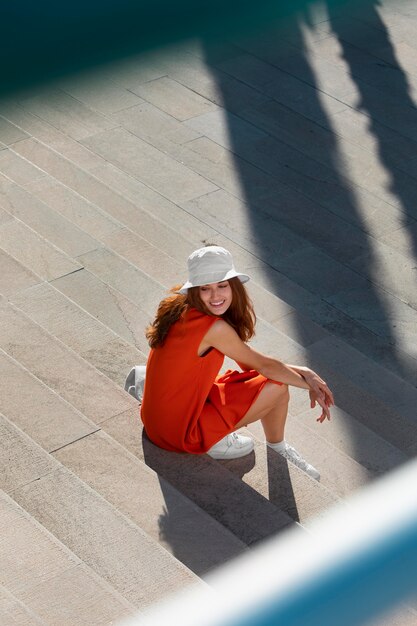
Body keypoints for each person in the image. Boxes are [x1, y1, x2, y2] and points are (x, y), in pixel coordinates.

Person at [140, 245, 334, 481]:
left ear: (233, 286)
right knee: (278, 387)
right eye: (206, 289)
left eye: (222, 286)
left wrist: (304, 373)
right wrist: (310, 386)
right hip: (178, 433)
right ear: (195, 291)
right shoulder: (215, 328)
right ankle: (273, 448)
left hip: (157, 420)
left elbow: (252, 363)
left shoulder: (180, 309)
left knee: (266, 378)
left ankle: (267, 444)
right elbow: (262, 367)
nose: (216, 296)